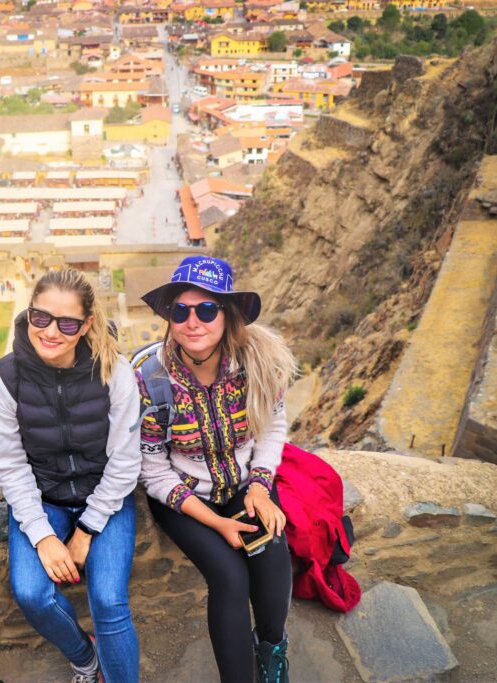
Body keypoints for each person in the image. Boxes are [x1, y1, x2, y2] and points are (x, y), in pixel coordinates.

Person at [136, 255, 297, 683]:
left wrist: (259, 486)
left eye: (206, 310)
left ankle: (272, 652)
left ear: (227, 315)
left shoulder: (258, 364)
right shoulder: (149, 379)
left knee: (271, 554)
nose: (193, 322)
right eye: (181, 311)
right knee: (228, 576)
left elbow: (272, 427)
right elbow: (153, 470)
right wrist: (217, 522)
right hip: (184, 495)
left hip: (244, 484)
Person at [0, 269, 141, 683]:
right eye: (41, 318)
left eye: (67, 323)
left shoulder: (114, 371)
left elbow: (125, 462)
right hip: (45, 497)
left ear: (86, 325)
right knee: (32, 593)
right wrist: (42, 535)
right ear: (29, 313)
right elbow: (10, 464)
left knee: (109, 601)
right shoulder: (6, 378)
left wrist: (86, 530)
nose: (51, 331)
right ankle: (85, 657)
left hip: (105, 496)